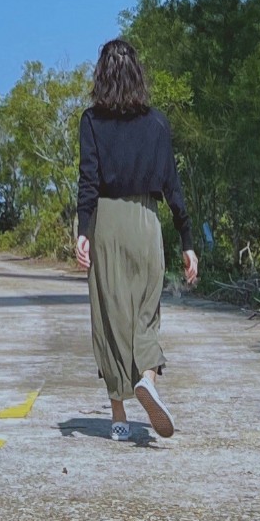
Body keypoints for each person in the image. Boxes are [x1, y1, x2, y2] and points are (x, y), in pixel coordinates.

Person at [75, 37, 199, 441]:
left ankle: (118, 417)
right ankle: (147, 377)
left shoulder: (91, 121)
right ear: (138, 74)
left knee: (111, 318)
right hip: (146, 220)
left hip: (107, 222)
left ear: (101, 74)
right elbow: (172, 185)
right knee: (145, 312)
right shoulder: (158, 123)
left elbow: (88, 182)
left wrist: (83, 232)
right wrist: (187, 240)